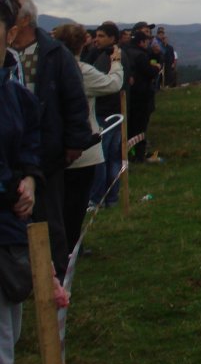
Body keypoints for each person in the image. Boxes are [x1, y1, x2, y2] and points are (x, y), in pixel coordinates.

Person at [7, 0, 95, 282]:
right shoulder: (6, 53)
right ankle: (18, 273)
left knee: (48, 219)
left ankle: (53, 279)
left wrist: (74, 142)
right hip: (9, 151)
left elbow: (74, 99)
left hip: (47, 152)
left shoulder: (55, 54)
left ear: (24, 20)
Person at [0, 0, 43, 364]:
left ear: (10, 33)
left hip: (9, 233)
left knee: (8, 334)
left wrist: (29, 178)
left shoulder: (15, 95)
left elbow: (29, 141)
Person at [51, 24, 122, 255]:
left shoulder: (48, 70)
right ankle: (70, 249)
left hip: (53, 144)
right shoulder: (81, 70)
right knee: (75, 205)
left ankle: (56, 248)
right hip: (84, 146)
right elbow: (113, 84)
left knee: (56, 204)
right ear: (83, 43)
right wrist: (116, 62)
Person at [84, 22, 124, 208]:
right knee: (112, 157)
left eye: (101, 36)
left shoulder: (109, 57)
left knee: (101, 157)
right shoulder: (111, 54)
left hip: (105, 113)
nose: (96, 40)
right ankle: (111, 197)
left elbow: (103, 82)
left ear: (112, 38)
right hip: (116, 111)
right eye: (96, 36)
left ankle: (97, 197)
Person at [123, 30, 161, 163]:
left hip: (129, 95)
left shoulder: (125, 52)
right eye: (146, 41)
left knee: (130, 125)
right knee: (140, 127)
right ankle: (139, 154)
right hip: (141, 95)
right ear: (142, 42)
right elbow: (149, 72)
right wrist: (156, 67)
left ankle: (129, 152)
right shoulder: (140, 55)